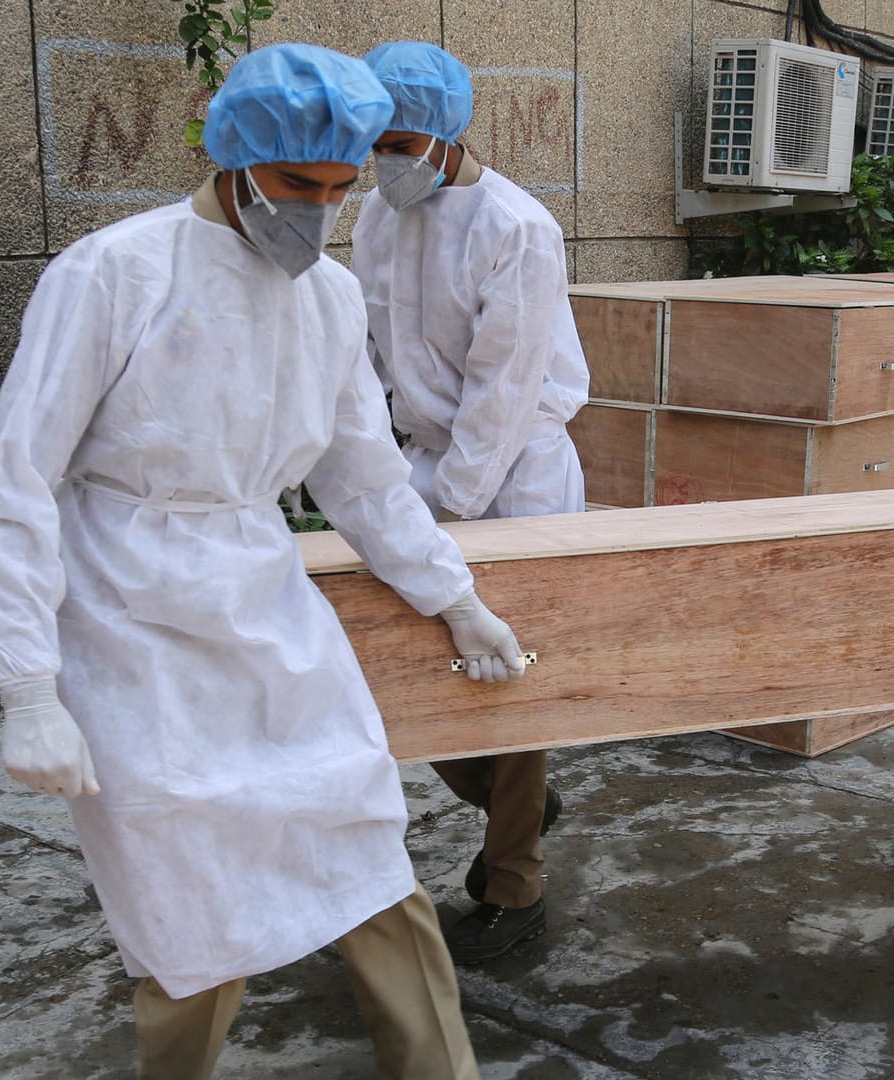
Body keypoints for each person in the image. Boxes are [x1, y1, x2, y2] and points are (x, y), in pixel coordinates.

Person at [0, 44, 528, 1080]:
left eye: (342, 190)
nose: (319, 211)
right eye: (298, 184)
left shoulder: (329, 299)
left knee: (361, 836)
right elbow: (14, 482)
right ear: (236, 156)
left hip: (263, 593)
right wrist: (24, 685)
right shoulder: (114, 272)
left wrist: (455, 596)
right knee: (184, 895)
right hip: (128, 614)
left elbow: (362, 478)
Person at [352, 40, 588, 967]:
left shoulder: (517, 228)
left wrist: (440, 523)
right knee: (416, 658)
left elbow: (502, 395)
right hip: (423, 459)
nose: (386, 158)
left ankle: (514, 886)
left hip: (515, 470)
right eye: (376, 140)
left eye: (401, 138)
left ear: (449, 132)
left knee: (507, 679)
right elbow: (376, 356)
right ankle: (508, 799)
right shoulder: (378, 214)